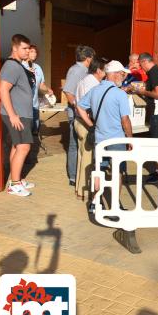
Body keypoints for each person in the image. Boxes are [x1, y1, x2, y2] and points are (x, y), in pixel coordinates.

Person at [76, 60, 133, 204]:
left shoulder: (95, 90)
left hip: (99, 138)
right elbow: (125, 120)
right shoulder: (120, 94)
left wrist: (90, 125)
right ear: (114, 74)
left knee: (98, 170)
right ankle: (114, 204)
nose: (123, 77)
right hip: (117, 139)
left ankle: (96, 202)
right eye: (121, 74)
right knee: (117, 172)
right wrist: (130, 139)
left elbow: (80, 107)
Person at [0, 34, 35, 196]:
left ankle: (16, 179)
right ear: (15, 48)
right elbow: (2, 89)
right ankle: (14, 185)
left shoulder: (19, 65)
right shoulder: (12, 66)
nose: (28, 51)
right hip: (17, 114)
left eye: (29, 48)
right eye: (24, 48)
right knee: (23, 146)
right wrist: (12, 115)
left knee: (16, 145)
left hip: (22, 113)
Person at [62, 45, 95, 186]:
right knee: (75, 145)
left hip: (80, 114)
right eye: (93, 58)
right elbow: (68, 92)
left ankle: (79, 174)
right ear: (88, 58)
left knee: (80, 145)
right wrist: (78, 108)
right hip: (77, 115)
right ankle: (74, 177)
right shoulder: (77, 71)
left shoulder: (83, 70)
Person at [74, 57, 106, 200]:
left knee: (82, 156)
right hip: (87, 123)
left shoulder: (84, 80)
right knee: (88, 158)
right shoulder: (93, 84)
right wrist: (93, 125)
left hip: (79, 121)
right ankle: (84, 191)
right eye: (105, 70)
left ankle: (79, 188)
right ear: (99, 70)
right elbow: (91, 106)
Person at [135, 52, 158, 183]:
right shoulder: (156, 71)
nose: (140, 67)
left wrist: (143, 92)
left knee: (157, 144)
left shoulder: (154, 72)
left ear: (144, 61)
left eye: (140, 64)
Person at [23, 45, 53, 134]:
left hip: (35, 105)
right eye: (32, 51)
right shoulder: (21, 66)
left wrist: (48, 89)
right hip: (24, 106)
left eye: (35, 52)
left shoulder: (38, 67)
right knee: (25, 133)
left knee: (35, 131)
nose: (34, 53)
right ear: (27, 52)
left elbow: (41, 84)